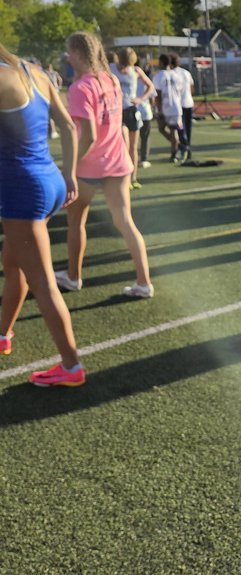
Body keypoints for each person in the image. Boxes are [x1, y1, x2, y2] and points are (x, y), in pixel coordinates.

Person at [0, 42, 85, 386]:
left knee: (44, 282)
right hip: (49, 180)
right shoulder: (34, 71)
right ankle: (3, 334)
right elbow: (67, 126)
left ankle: (71, 366)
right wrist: (70, 174)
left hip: (23, 189)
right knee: (13, 262)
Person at [56, 32, 153, 299]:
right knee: (125, 222)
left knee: (76, 222)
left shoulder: (81, 88)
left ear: (76, 53)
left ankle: (74, 277)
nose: (67, 57)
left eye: (69, 52)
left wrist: (69, 167)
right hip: (117, 162)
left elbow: (88, 135)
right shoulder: (108, 80)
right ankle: (144, 282)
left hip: (90, 165)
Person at [112, 47, 154, 182]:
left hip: (131, 110)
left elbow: (150, 86)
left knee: (133, 147)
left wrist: (141, 99)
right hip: (117, 111)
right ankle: (122, 176)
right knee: (124, 144)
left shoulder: (135, 71)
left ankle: (133, 178)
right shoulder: (111, 68)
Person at [154, 53, 190, 162]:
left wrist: (159, 110)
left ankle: (176, 150)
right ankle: (177, 149)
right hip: (176, 106)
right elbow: (180, 90)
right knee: (173, 130)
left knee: (162, 128)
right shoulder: (176, 75)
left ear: (161, 63)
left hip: (165, 106)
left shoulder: (158, 76)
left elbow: (158, 95)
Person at [173, 55, 195, 158]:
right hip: (189, 103)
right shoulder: (186, 72)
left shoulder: (173, 74)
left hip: (179, 105)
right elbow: (192, 88)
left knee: (180, 129)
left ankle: (182, 149)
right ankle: (188, 150)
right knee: (188, 128)